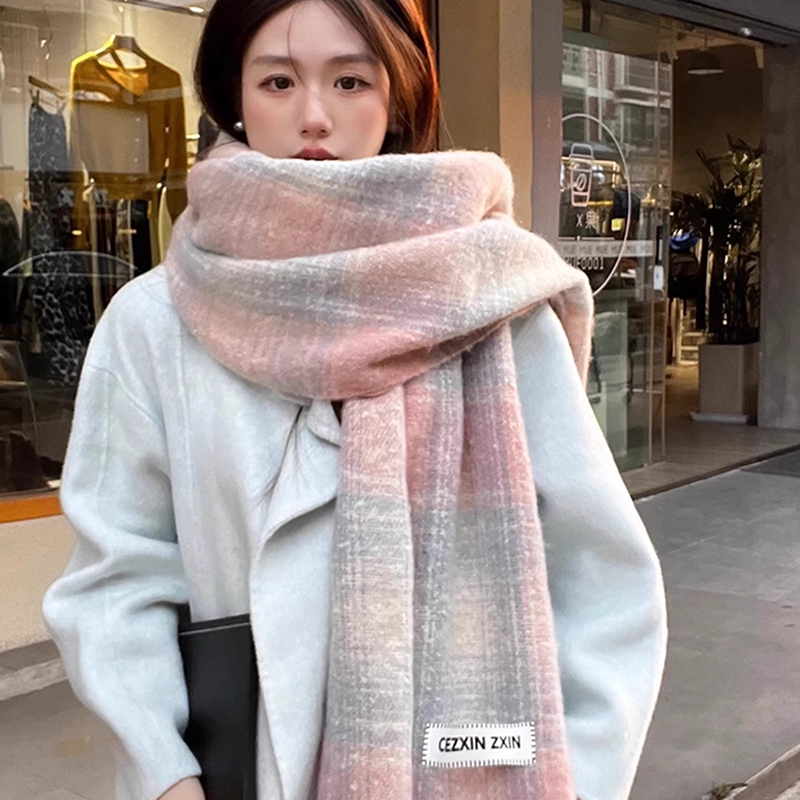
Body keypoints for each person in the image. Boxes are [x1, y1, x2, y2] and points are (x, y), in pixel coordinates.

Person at [42, 1, 668, 800]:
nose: (314, 115)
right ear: (234, 96)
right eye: (278, 81)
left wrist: (574, 780)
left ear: (398, 98)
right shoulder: (155, 323)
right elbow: (117, 579)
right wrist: (166, 776)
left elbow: (601, 579)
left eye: (349, 81)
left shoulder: (495, 304)